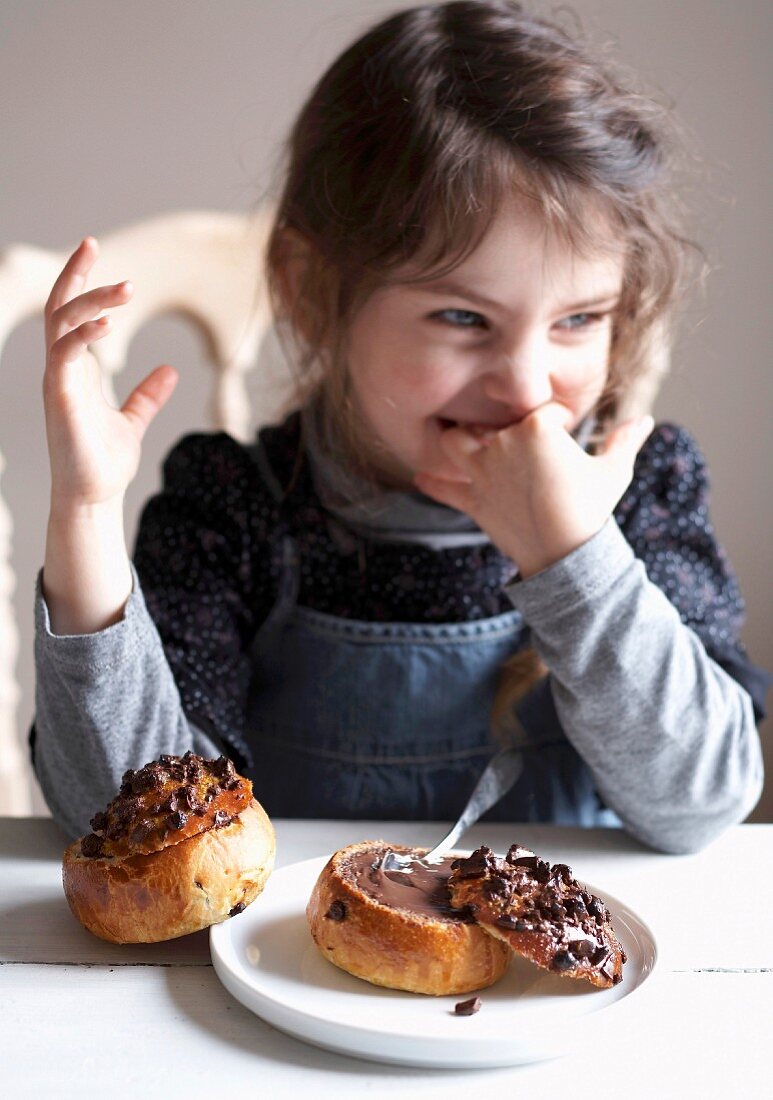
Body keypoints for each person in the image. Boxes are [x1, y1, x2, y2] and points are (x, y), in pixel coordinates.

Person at [32, 1, 767, 853]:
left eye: (578, 319)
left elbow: (701, 807)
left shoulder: (640, 491)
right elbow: (130, 832)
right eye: (461, 316)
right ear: (310, 292)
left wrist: (576, 560)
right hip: (301, 963)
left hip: (549, 974)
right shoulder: (237, 507)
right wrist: (84, 517)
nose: (527, 387)